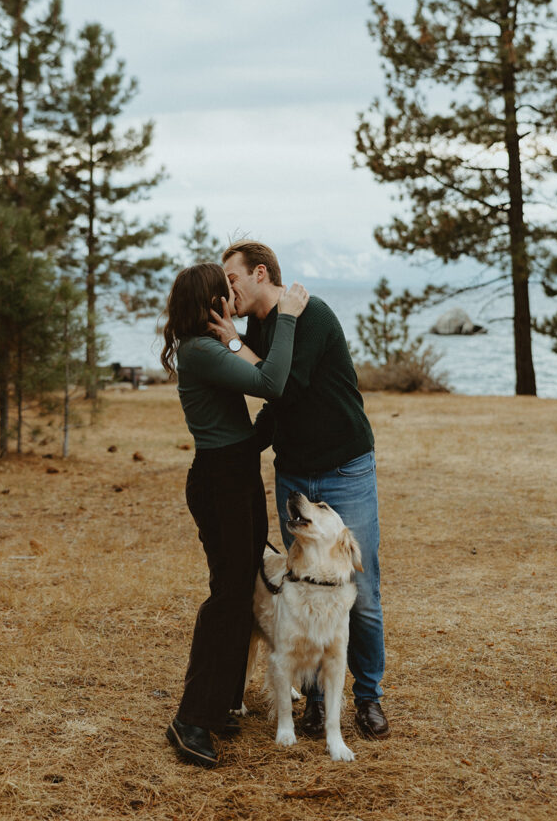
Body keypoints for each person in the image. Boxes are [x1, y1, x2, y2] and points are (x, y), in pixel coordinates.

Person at [212, 240, 390, 742]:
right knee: (302, 585)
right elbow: (279, 408)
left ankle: (369, 698)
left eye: (232, 280)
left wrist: (230, 342)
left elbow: (282, 385)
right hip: (295, 475)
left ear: (260, 273)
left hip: (344, 469)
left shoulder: (310, 316)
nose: (227, 291)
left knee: (363, 592)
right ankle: (315, 703)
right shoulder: (264, 327)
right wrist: (243, 451)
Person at [160, 262, 309, 768]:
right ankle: (190, 720)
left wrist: (235, 338)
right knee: (227, 596)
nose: (232, 294)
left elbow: (252, 370)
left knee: (239, 587)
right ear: (210, 301)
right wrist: (285, 316)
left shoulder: (205, 346)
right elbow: (272, 381)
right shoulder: (201, 350)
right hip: (221, 480)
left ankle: (219, 704)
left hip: (234, 472)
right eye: (224, 290)